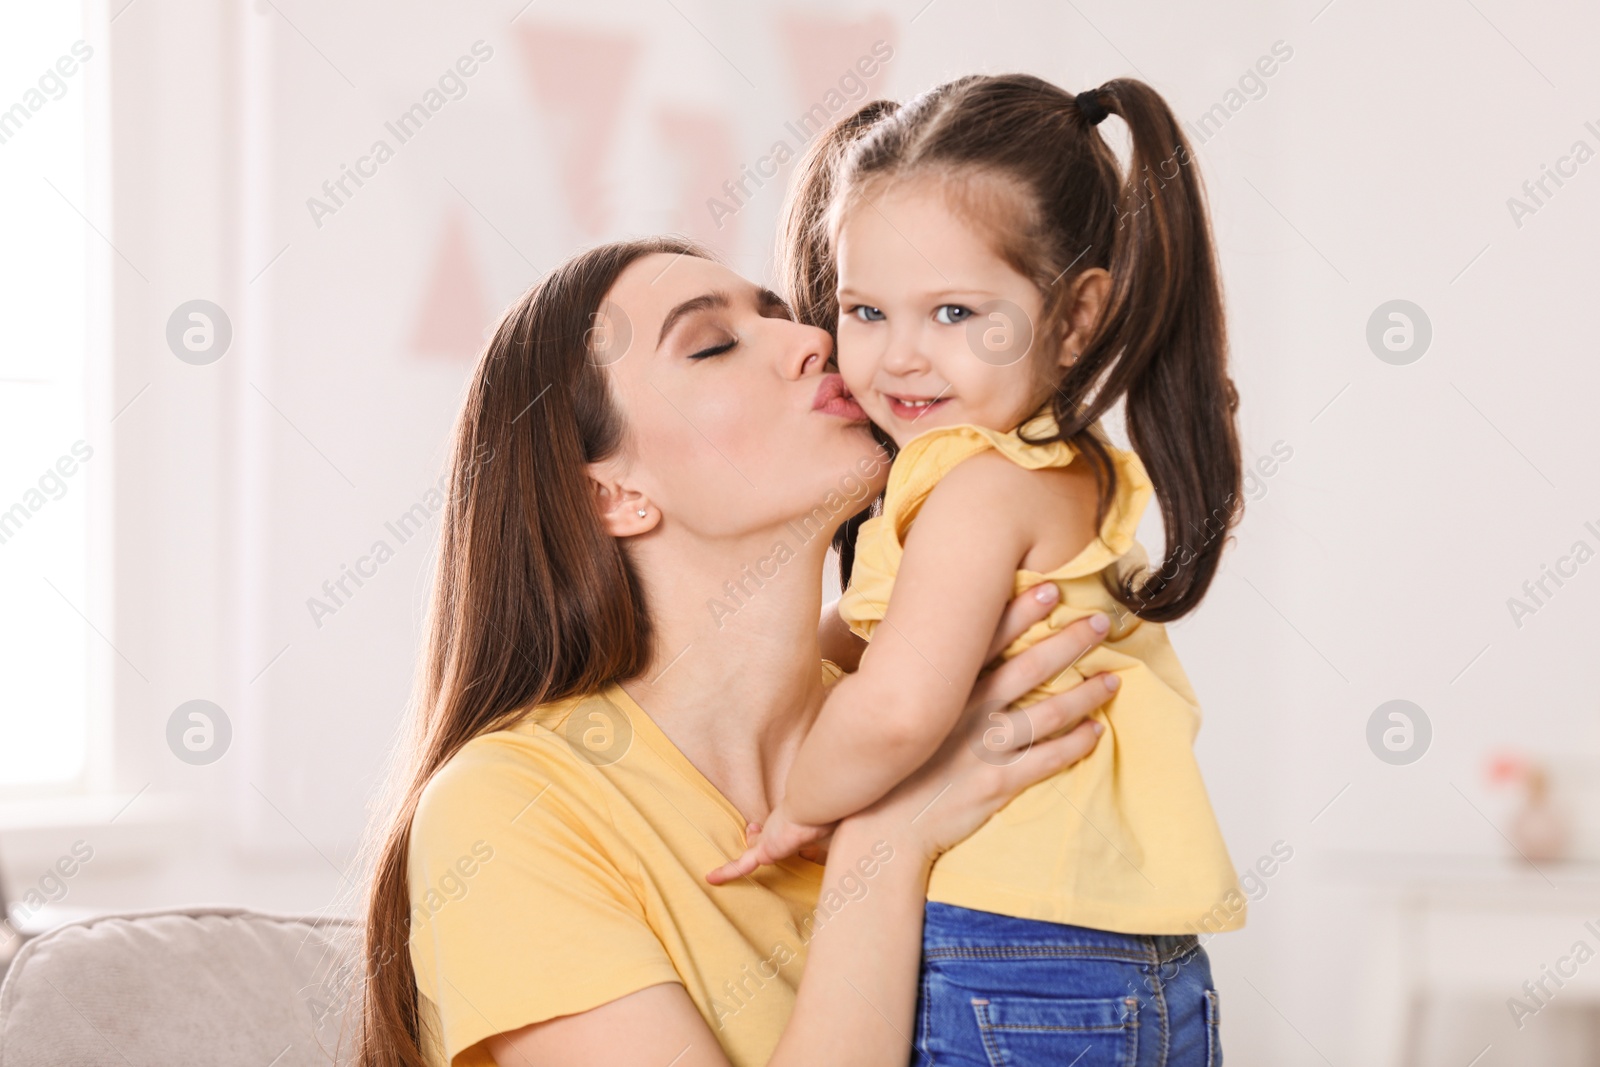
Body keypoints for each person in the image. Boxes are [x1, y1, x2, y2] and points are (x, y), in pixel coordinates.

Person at [352, 235, 1120, 1067]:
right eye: (713, 344)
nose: (815, 340)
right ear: (613, 493)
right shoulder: (509, 810)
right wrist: (886, 840)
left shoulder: (931, 715)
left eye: (780, 315)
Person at [707, 75, 1242, 1064]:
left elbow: (899, 707)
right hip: (1127, 958)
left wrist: (794, 802)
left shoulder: (979, 484)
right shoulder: (1040, 465)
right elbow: (864, 640)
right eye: (865, 310)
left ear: (1078, 316)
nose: (898, 357)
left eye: (953, 312)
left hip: (1011, 954)